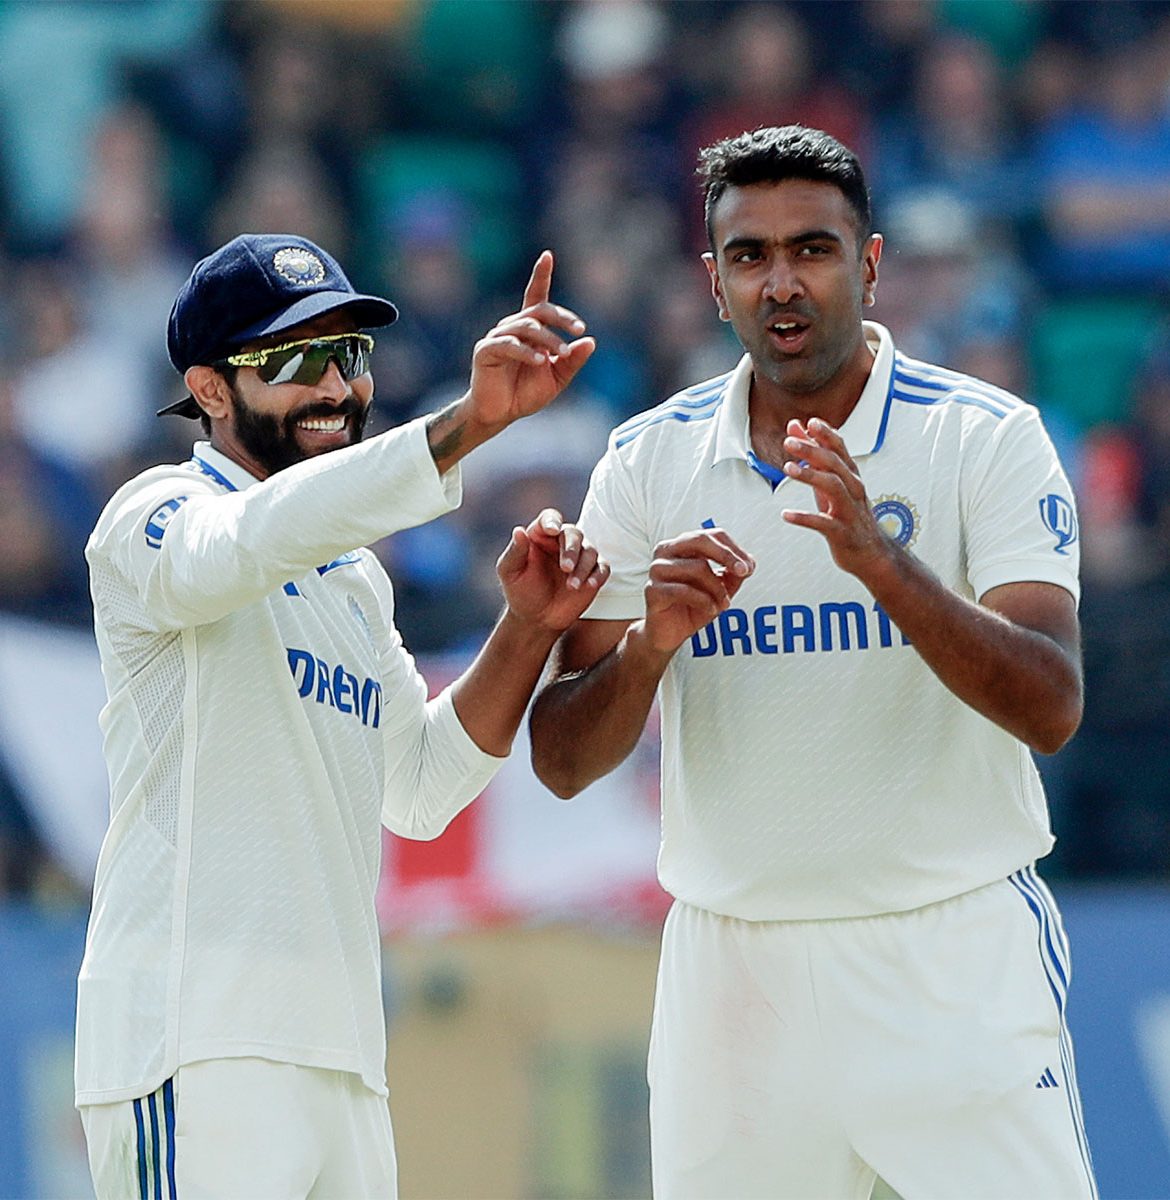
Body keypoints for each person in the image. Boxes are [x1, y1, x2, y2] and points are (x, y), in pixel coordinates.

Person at [531, 127, 1097, 1199]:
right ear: (712, 280)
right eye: (749, 256)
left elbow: (1052, 704)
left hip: (951, 954)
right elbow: (561, 757)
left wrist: (886, 569)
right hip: (733, 975)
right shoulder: (650, 459)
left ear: (870, 263)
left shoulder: (985, 437)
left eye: (813, 249)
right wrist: (651, 646)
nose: (781, 283)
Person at [75, 233, 604, 1198]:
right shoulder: (155, 514)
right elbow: (243, 546)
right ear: (209, 390)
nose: (335, 388)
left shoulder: (354, 580)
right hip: (196, 1045)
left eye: (349, 355)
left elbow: (419, 787)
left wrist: (528, 631)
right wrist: (467, 426)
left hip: (345, 1057)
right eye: (294, 360)